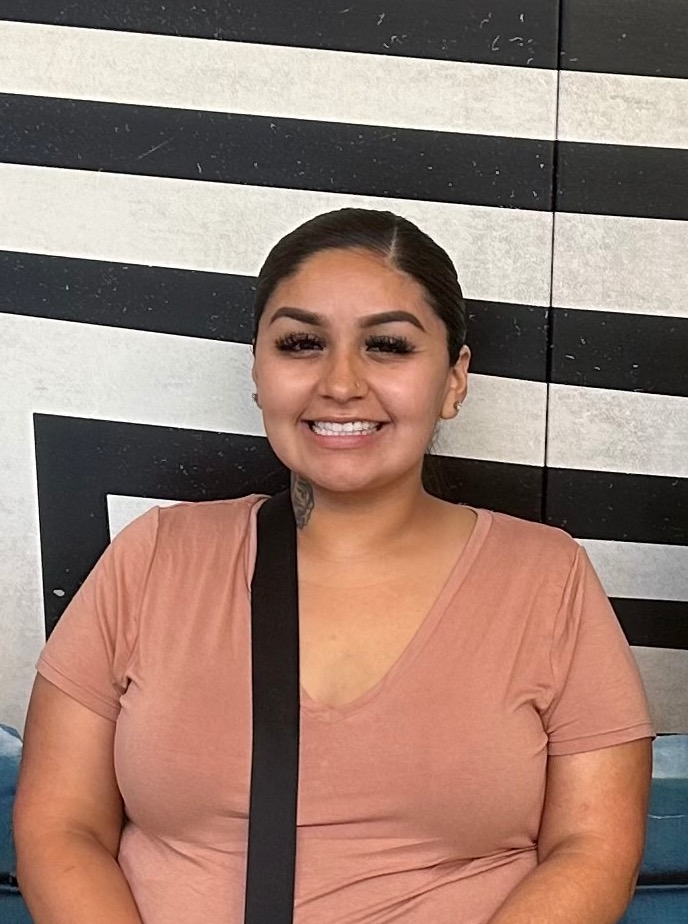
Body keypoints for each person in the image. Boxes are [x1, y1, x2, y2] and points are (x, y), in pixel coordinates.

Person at [14, 208, 653, 924]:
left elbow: (592, 848)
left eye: (387, 346)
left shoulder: (548, 581)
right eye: (301, 343)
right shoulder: (154, 560)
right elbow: (61, 824)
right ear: (257, 372)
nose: (341, 383)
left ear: (454, 379)